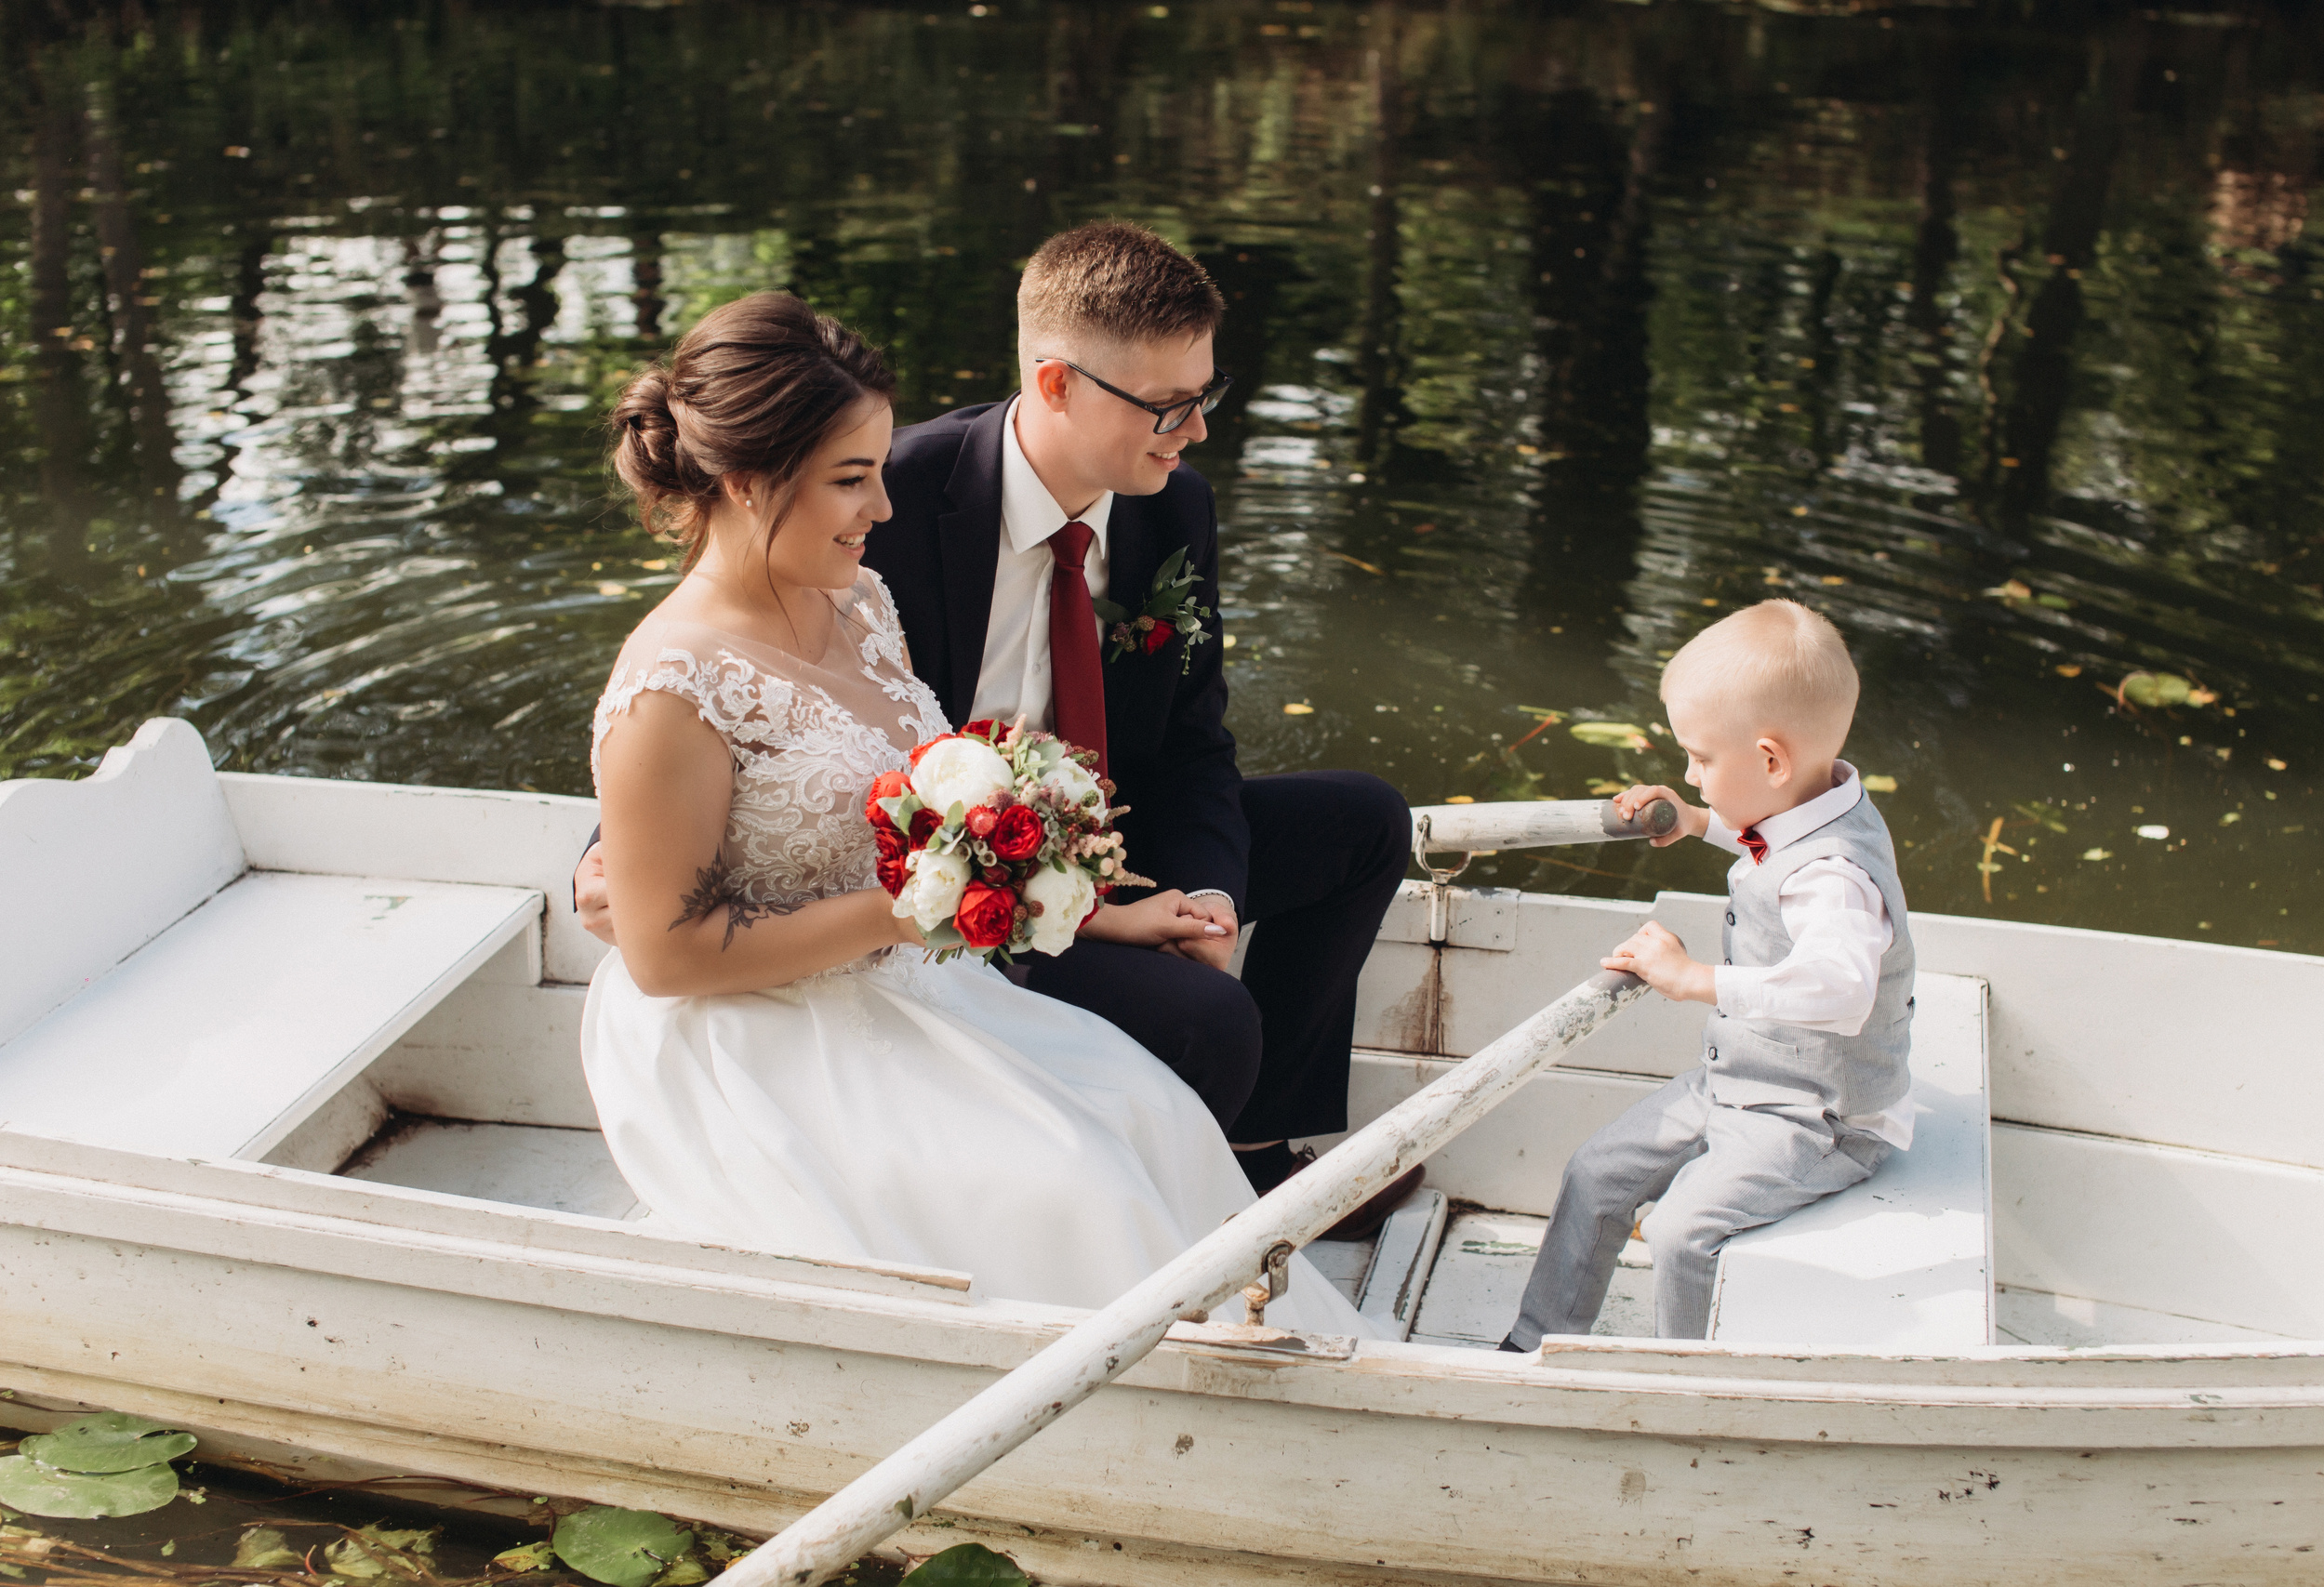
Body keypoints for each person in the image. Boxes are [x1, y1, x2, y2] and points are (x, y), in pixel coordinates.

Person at [578, 223, 1415, 1234]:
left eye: (1207, 394)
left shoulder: (1169, 508)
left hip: (1073, 838)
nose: (1193, 430)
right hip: (931, 872)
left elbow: (1197, 744)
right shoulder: (891, 507)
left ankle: (1257, 1148)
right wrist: (605, 854)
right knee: (1209, 1027)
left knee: (1364, 819)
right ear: (1057, 383)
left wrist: (1206, 892)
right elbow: (740, 696)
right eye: (1166, 405)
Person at [1501, 601, 1916, 1348]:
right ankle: (1534, 1340)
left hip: (1819, 1118)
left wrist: (1693, 977)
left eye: (1701, 758)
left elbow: (1842, 990)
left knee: (1681, 1230)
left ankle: (1676, 1380)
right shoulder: (1813, 800)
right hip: (1741, 1079)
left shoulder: (1835, 876)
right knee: (1596, 1173)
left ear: (1769, 761)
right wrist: (1696, 818)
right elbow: (1767, 841)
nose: (1690, 770)